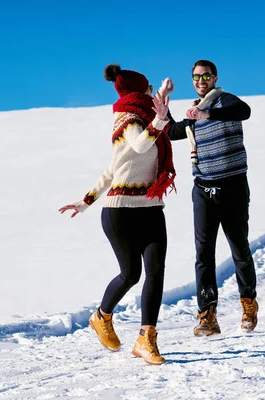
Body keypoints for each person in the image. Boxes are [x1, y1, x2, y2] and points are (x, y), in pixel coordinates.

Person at [59, 64, 176, 365]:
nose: (153, 92)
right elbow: (138, 147)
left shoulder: (146, 117)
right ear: (140, 92)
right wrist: (86, 202)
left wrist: (160, 111)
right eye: (149, 88)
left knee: (156, 271)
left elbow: (114, 167)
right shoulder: (128, 120)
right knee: (131, 274)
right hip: (120, 212)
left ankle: (146, 339)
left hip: (150, 209)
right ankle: (101, 317)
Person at [167, 60, 258, 337]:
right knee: (203, 254)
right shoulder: (194, 114)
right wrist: (162, 110)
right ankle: (207, 316)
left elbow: (245, 111)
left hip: (232, 187)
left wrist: (209, 116)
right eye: (196, 77)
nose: (200, 80)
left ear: (214, 77)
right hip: (203, 190)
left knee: (239, 248)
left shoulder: (224, 102)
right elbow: (172, 132)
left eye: (205, 75)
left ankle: (248, 304)